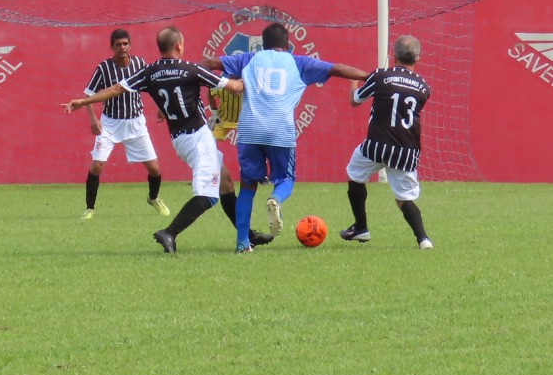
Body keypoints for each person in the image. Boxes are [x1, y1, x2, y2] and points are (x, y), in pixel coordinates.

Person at [67, 26, 249, 252]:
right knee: (208, 196)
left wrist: (83, 102)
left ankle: (247, 234)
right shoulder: (191, 69)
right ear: (179, 45)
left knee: (226, 182)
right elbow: (234, 87)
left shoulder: (149, 71)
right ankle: (169, 232)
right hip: (197, 138)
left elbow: (116, 89)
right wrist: (252, 76)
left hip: (179, 139)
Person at [207, 22, 367, 252]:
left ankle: (243, 243)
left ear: (264, 43)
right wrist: (369, 76)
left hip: (250, 130)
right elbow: (337, 68)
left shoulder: (248, 59)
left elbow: (212, 63)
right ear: (288, 43)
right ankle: (276, 200)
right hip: (280, 131)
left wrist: (188, 71)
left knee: (248, 185)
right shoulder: (298, 62)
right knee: (285, 179)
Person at [343, 35, 433, 248]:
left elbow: (354, 101)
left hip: (377, 145)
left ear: (393, 55)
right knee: (404, 199)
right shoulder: (424, 87)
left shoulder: (381, 76)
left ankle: (361, 228)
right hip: (406, 150)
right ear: (418, 58)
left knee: (355, 175)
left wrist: (353, 82)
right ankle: (423, 239)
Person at [79, 29, 167, 219]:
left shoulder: (139, 64)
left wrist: (161, 107)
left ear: (130, 45)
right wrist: (93, 119)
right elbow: (89, 94)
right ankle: (90, 209)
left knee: (154, 169)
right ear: (112, 47)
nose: (122, 47)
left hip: (136, 123)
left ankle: (153, 198)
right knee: (97, 166)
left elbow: (152, 87)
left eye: (125, 44)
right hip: (110, 124)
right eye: (118, 44)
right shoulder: (103, 68)